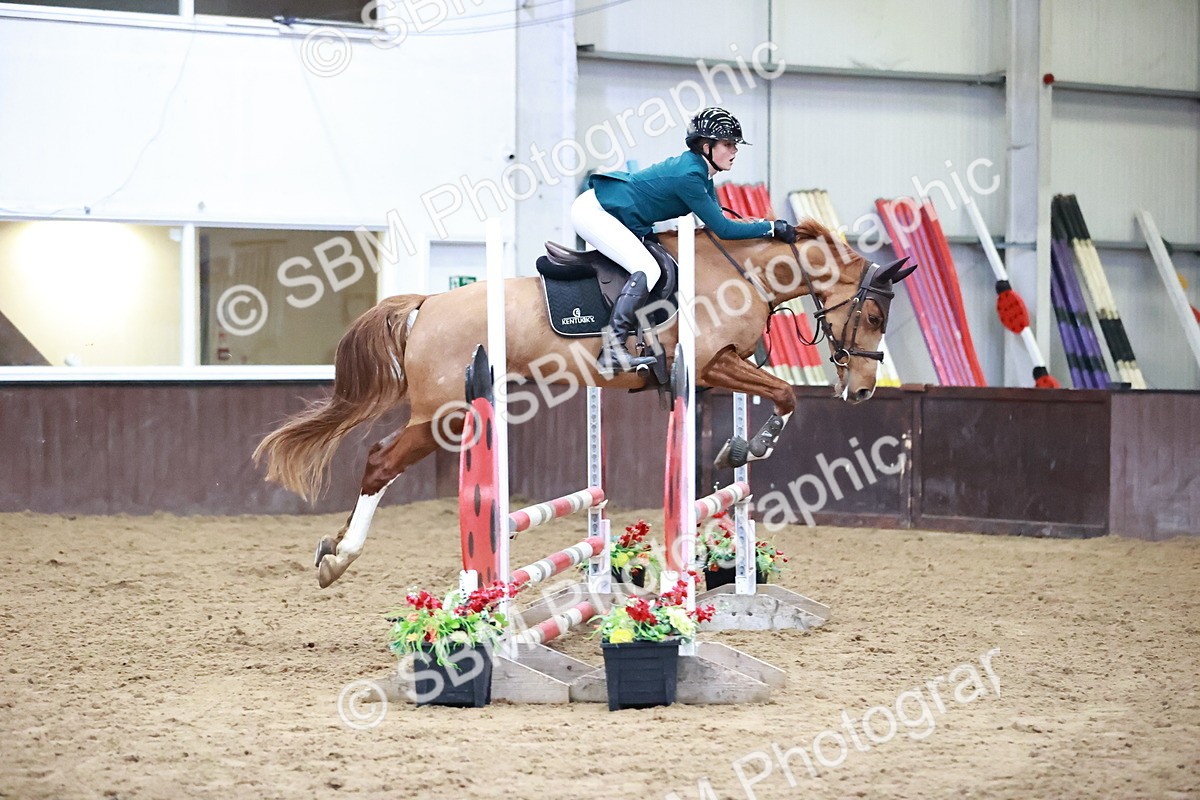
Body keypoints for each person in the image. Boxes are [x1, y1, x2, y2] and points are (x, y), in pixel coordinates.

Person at [572, 107, 797, 373]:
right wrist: (770, 227)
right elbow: (723, 229)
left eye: (735, 145)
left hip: (614, 211)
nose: (735, 150)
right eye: (728, 144)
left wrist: (764, 230)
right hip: (595, 212)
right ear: (706, 146)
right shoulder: (690, 177)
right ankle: (613, 350)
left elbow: (715, 226)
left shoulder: (702, 174)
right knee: (648, 270)